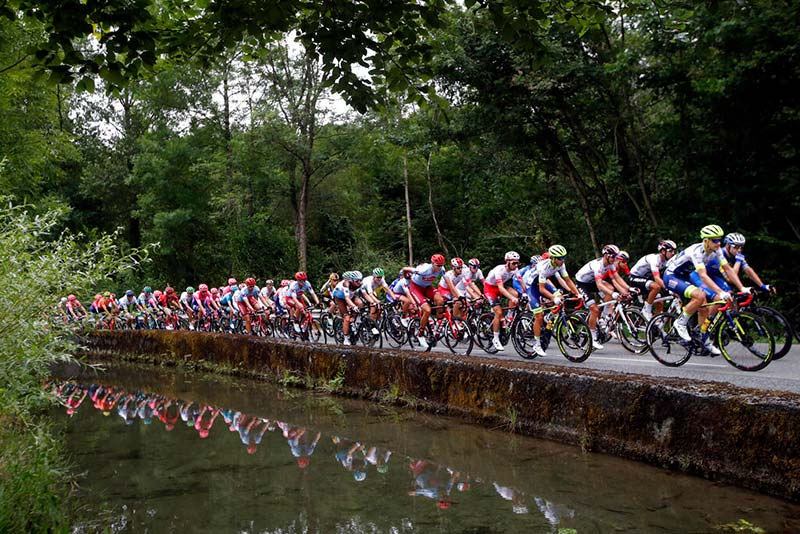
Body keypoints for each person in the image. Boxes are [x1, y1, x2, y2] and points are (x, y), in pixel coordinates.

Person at [663, 225, 749, 355]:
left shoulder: (717, 250)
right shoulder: (696, 251)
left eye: (719, 240)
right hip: (672, 276)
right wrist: (720, 292)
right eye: (714, 240)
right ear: (706, 240)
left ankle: (704, 338)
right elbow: (703, 275)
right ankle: (680, 323)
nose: (718, 243)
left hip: (685, 276)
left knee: (703, 308)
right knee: (700, 295)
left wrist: (742, 287)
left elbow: (728, 269)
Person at [528, 245, 581, 356]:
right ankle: (537, 344)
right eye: (560, 258)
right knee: (539, 316)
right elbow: (541, 289)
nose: (562, 260)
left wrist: (578, 293)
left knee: (560, 298)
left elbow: (567, 280)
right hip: (532, 286)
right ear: (553, 258)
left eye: (563, 258)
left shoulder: (561, 264)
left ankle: (550, 317)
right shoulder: (543, 267)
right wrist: (553, 298)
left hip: (543, 283)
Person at [575, 245, 630, 349]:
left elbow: (616, 277)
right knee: (595, 309)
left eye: (615, 257)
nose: (614, 259)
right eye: (613, 257)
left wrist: (629, 288)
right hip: (582, 283)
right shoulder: (598, 266)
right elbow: (600, 285)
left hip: (592, 283)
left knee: (610, 289)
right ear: (606, 256)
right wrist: (614, 294)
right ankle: (592, 337)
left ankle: (603, 319)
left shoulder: (610, 264)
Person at [483, 251, 526, 351]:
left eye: (517, 263)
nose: (516, 265)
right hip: (490, 288)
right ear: (507, 262)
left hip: (501, 286)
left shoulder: (515, 269)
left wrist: (526, 293)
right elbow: (501, 288)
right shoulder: (499, 270)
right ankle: (495, 338)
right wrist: (512, 298)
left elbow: (521, 281)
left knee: (515, 293)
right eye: (514, 263)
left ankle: (509, 315)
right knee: (498, 312)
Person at [628, 240, 677, 320]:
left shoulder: (667, 261)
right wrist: (669, 289)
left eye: (674, 251)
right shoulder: (655, 259)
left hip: (646, 279)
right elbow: (657, 278)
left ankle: (656, 325)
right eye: (670, 251)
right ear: (663, 251)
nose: (673, 253)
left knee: (660, 303)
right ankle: (646, 311)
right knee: (656, 287)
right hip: (635, 277)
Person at [409, 254, 447, 349]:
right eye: (438, 265)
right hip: (416, 288)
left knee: (440, 300)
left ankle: (438, 323)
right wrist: (405, 275)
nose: (440, 267)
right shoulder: (424, 270)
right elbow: (406, 269)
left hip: (427, 287)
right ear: (433, 264)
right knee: (427, 310)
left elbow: (449, 283)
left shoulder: (442, 269)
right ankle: (420, 333)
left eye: (442, 265)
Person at [332, 271, 365, 345]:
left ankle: (355, 320)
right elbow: (347, 299)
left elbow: (365, 294)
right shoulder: (346, 284)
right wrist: (354, 306)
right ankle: (346, 338)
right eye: (357, 281)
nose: (359, 282)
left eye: (360, 280)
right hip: (340, 298)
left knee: (360, 303)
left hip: (351, 296)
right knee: (346, 318)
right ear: (351, 280)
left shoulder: (360, 283)